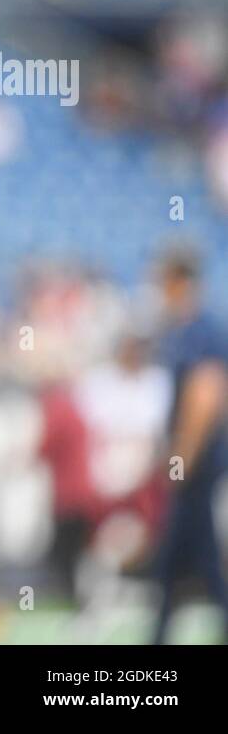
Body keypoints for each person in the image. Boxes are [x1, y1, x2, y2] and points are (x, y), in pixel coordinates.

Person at [150, 248, 228, 643]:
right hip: (195, 466)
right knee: (187, 555)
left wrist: (181, 459)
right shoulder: (181, 330)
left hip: (200, 468)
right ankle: (159, 632)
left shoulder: (200, 330)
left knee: (196, 556)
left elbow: (206, 396)